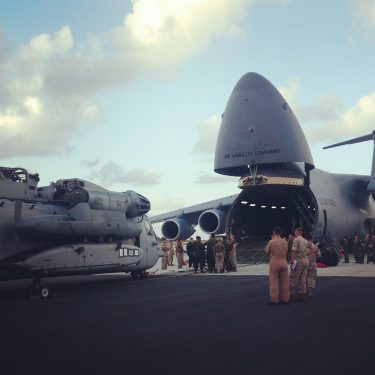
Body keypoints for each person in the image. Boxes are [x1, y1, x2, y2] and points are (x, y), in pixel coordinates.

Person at [264, 226, 289, 305]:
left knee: (273, 281)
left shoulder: (271, 241)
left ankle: (274, 299)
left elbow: (266, 251)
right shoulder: (285, 241)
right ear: (280, 233)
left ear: (274, 233)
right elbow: (287, 251)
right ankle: (285, 298)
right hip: (284, 261)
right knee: (285, 282)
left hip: (275, 261)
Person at [289, 227, 309, 302]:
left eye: (295, 232)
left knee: (293, 278)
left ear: (297, 232)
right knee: (303, 279)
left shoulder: (296, 240)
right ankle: (302, 295)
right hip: (305, 261)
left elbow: (294, 252)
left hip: (298, 261)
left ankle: (290, 295)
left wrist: (292, 262)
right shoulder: (305, 241)